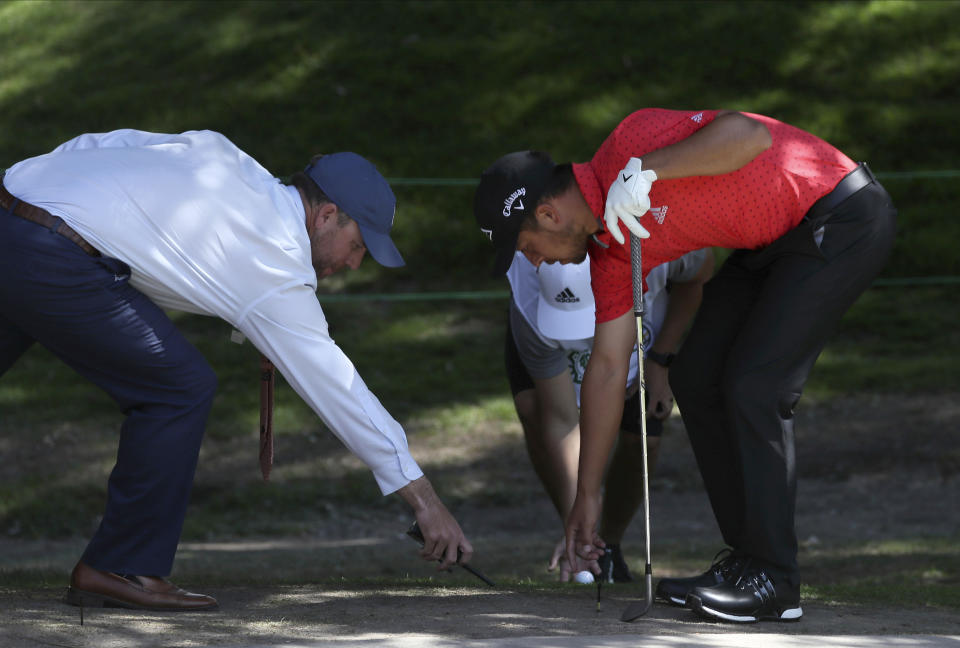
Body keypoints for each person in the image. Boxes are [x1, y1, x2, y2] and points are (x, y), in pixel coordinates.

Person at [0, 129, 472, 612]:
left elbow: (100, 144)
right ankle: (121, 566)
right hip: (53, 253)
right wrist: (424, 500)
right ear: (327, 216)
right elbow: (339, 388)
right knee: (179, 390)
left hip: (10, 206)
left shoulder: (225, 159)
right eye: (358, 246)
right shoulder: (276, 260)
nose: (354, 263)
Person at [473, 109, 896, 623]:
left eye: (527, 249)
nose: (535, 262)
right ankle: (747, 563)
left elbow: (749, 134)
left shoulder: (628, 143)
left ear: (547, 215)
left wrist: (645, 170)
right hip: (773, 246)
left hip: (840, 215)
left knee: (755, 387)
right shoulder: (609, 253)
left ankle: (776, 579)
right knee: (695, 376)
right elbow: (607, 370)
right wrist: (587, 497)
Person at [504, 249, 712, 583]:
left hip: (639, 337)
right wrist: (579, 513)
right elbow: (563, 422)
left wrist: (661, 360)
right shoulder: (530, 305)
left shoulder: (655, 252)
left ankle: (610, 546)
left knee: (643, 439)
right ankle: (583, 538)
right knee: (535, 412)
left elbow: (700, 275)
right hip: (561, 352)